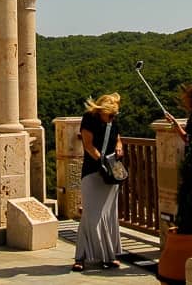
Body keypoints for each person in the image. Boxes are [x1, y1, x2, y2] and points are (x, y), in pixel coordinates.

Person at [72, 92, 124, 272]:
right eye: (110, 114)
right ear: (102, 111)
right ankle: (81, 257)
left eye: (114, 115)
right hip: (93, 171)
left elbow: (117, 138)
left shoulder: (112, 121)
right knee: (91, 215)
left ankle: (109, 256)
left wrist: (119, 146)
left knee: (108, 215)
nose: (112, 117)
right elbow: (88, 145)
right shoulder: (89, 119)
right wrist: (102, 162)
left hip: (111, 174)